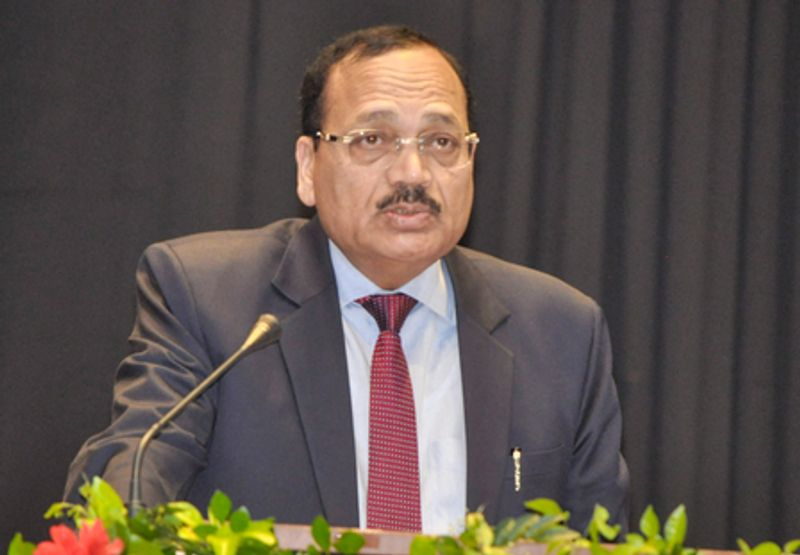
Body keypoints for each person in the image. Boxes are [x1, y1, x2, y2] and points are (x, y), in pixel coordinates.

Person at [65, 25, 628, 536]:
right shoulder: (207, 299)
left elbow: (603, 541)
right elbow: (134, 472)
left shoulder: (561, 332)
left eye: (441, 142)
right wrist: (118, 528)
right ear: (309, 167)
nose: (413, 173)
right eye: (373, 139)